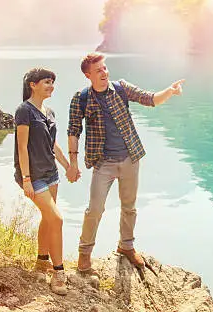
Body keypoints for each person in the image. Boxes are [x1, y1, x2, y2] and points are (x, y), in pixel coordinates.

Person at [66, 52, 184, 273]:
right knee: (95, 209)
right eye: (98, 70)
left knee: (129, 206)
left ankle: (126, 246)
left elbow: (150, 99)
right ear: (87, 75)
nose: (104, 72)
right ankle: (84, 253)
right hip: (103, 163)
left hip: (130, 158)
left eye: (105, 67)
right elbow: (73, 130)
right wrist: (73, 163)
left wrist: (169, 91)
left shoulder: (120, 88)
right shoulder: (81, 98)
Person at [14, 68, 75, 295]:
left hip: (51, 173)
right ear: (33, 84)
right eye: (47, 82)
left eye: (53, 82)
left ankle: (41, 262)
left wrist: (68, 165)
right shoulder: (24, 111)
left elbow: (53, 145)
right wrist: (26, 179)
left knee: (48, 219)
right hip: (34, 176)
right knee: (57, 219)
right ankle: (58, 272)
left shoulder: (48, 111)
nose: (51, 86)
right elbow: (22, 148)